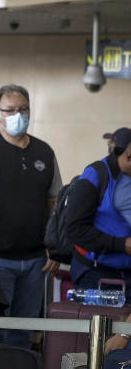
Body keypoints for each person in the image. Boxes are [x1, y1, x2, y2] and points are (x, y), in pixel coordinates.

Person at [0, 84, 62, 349]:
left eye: (22, 109)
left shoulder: (45, 152)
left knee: (24, 327)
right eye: (10, 110)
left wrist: (55, 246)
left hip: (36, 259)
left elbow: (54, 201)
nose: (17, 115)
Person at [66, 127, 131, 297]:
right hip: (96, 274)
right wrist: (121, 245)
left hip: (127, 275)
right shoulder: (95, 175)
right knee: (104, 323)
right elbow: (74, 229)